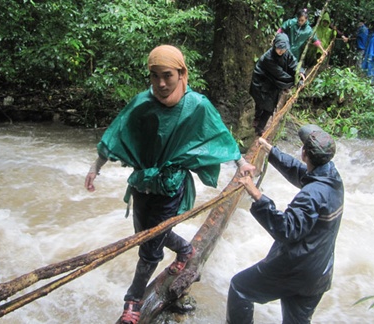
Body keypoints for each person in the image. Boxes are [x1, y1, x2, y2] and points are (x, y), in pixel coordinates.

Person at [84, 45, 256, 324]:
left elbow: (218, 134)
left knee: (150, 247)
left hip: (171, 184)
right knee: (146, 233)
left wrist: (240, 163)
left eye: (168, 75)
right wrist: (96, 167)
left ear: (181, 73)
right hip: (142, 182)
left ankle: (133, 301)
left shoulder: (196, 105)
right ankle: (186, 250)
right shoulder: (142, 103)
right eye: (155, 76)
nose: (161, 83)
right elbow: (117, 133)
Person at [226, 124, 344, 324]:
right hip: (319, 272)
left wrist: (255, 194)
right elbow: (301, 173)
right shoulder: (332, 178)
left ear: (304, 153)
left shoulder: (311, 194)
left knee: (240, 288)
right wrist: (271, 151)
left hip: (296, 268)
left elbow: (286, 230)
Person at [249, 33, 305, 136]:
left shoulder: (286, 53)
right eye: (279, 48)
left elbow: (293, 63)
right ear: (274, 46)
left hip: (273, 82)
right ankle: (258, 125)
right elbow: (280, 74)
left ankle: (259, 126)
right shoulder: (268, 58)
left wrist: (300, 72)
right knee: (263, 103)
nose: (281, 51)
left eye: (283, 49)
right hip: (262, 82)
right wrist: (295, 82)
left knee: (269, 106)